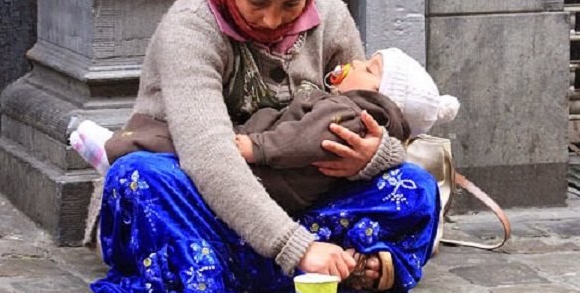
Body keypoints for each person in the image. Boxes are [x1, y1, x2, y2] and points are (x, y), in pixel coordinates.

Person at [87, 0, 441, 293]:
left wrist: (374, 156)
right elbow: (210, 157)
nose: (273, 20)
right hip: (202, 189)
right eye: (257, 3)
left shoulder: (329, 15)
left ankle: (233, 267)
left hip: (298, 194)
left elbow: (366, 110)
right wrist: (297, 247)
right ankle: (328, 266)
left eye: (291, 5)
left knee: (417, 185)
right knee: (136, 179)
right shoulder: (190, 27)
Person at [73, 48, 459, 217]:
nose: (354, 61)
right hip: (268, 158)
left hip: (273, 173)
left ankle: (111, 149)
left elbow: (309, 138)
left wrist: (255, 147)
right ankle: (119, 147)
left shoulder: (351, 110)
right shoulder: (350, 103)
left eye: (369, 66)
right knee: (174, 139)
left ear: (380, 91)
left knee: (174, 147)